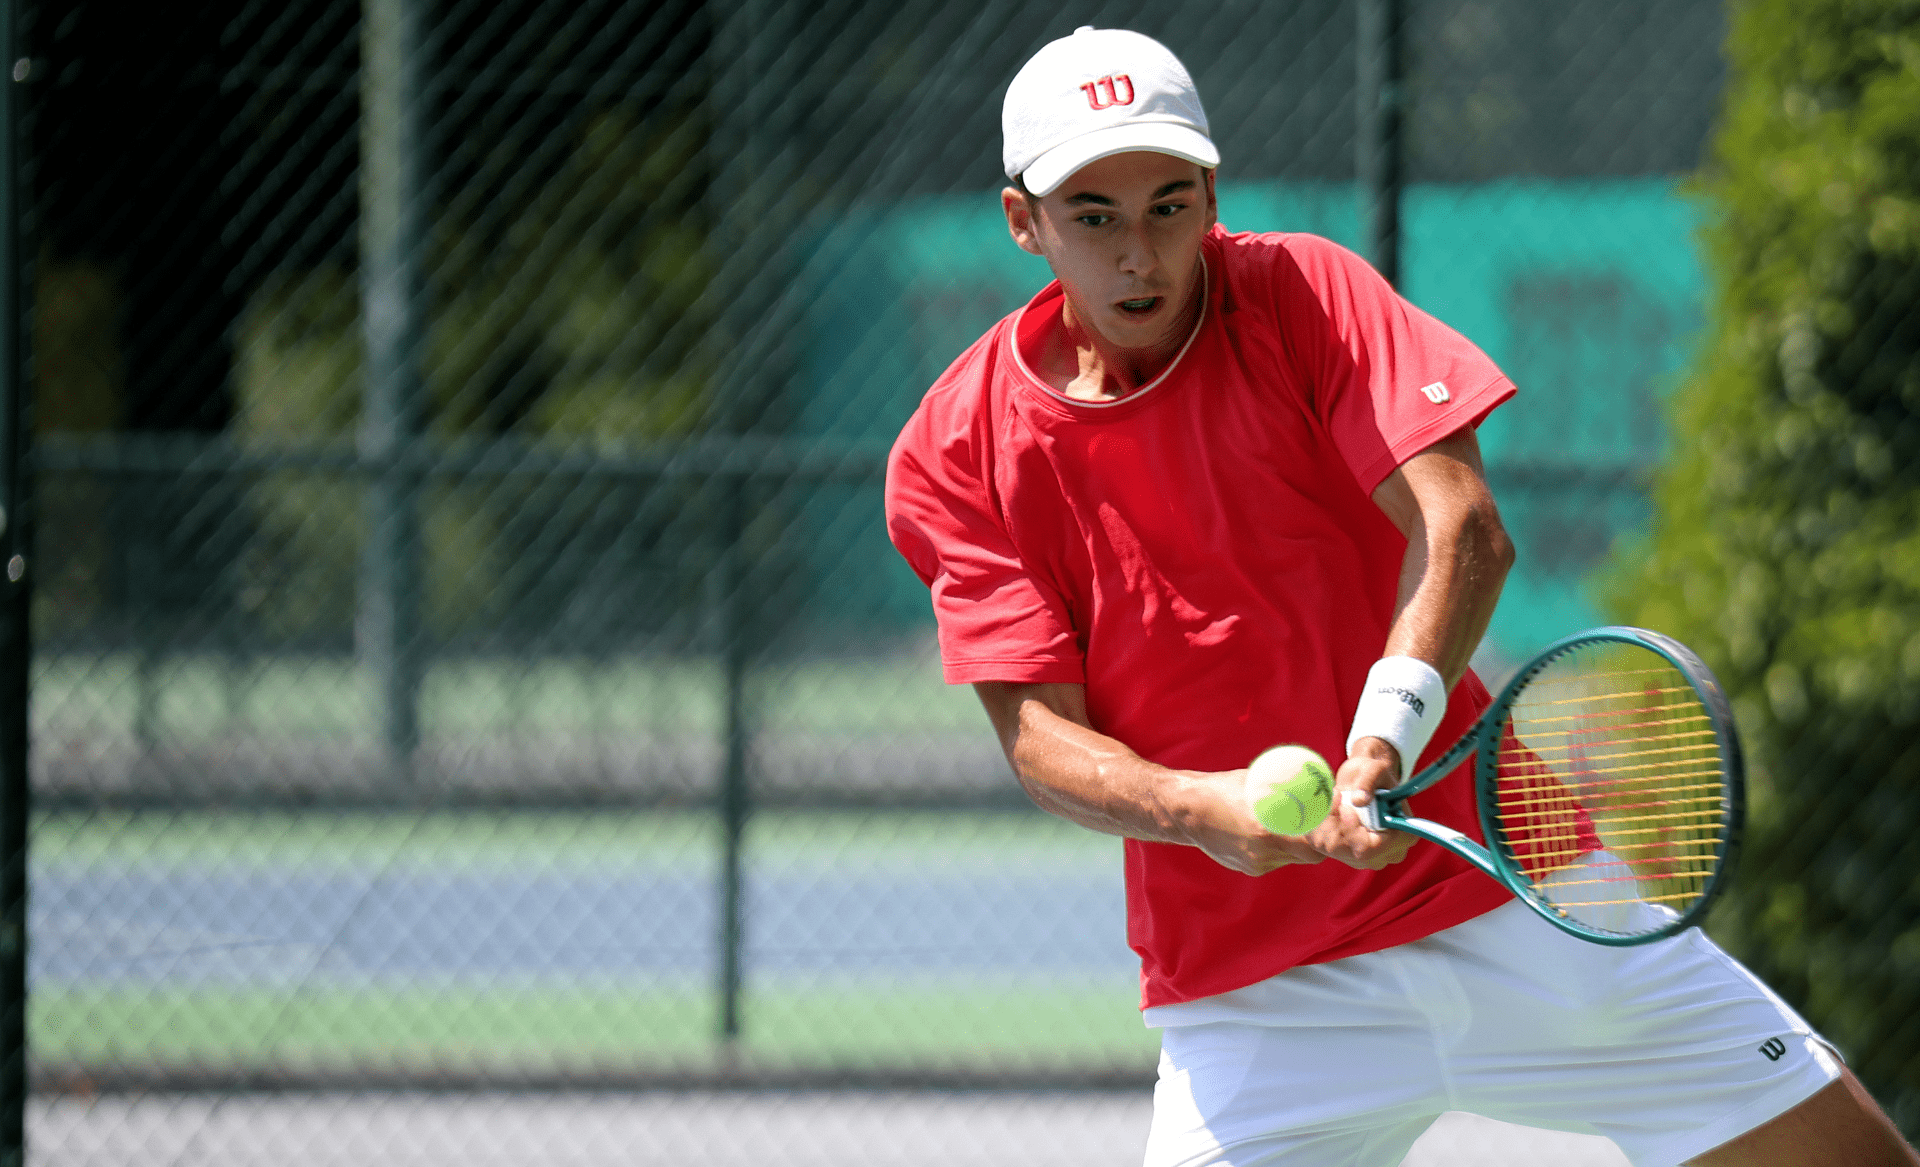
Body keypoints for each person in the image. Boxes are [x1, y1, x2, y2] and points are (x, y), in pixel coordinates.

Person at [882, 25, 1919, 1167]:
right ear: (1023, 222)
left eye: (1170, 206)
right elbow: (1039, 739)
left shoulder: (1302, 295)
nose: (1142, 252)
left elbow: (1461, 526)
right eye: (1096, 216)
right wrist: (1201, 812)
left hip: (1523, 904)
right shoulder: (956, 446)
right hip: (1254, 1002)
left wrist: (1384, 737)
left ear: (1212, 195)